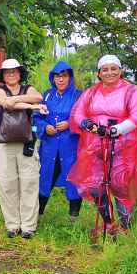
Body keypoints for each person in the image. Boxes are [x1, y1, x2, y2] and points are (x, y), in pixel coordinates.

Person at [68, 55, 137, 237]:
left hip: (123, 146)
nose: (109, 73)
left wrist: (115, 130)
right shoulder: (91, 92)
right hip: (95, 145)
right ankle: (108, 223)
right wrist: (88, 125)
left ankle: (125, 225)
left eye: (113, 68)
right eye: (105, 69)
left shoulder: (131, 91)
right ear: (99, 73)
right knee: (96, 185)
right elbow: (78, 113)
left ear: (120, 71)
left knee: (121, 184)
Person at [0, 58, 46, 239]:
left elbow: (38, 96)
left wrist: (19, 100)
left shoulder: (28, 88)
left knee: (29, 182)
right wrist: (32, 106)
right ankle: (12, 225)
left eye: (14, 71)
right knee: (7, 183)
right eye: (8, 72)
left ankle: (28, 226)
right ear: (3, 76)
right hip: (4, 143)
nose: (12, 74)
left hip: (26, 141)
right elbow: (4, 103)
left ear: (20, 73)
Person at [33, 61, 83, 222]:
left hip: (71, 147)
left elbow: (86, 118)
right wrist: (45, 126)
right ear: (53, 78)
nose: (60, 80)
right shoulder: (46, 95)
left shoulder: (78, 96)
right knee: (44, 178)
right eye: (57, 76)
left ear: (70, 78)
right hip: (50, 147)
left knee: (74, 180)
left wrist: (70, 123)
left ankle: (73, 219)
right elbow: (36, 118)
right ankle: (37, 216)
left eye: (64, 76)